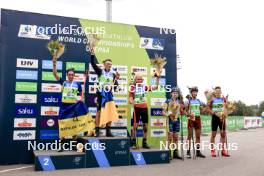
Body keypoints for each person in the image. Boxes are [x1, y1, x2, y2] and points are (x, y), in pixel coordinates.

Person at [52, 55, 88, 151]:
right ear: (67, 75)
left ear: (74, 75)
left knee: (73, 127)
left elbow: (81, 94)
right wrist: (54, 64)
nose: (71, 76)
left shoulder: (77, 84)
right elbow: (55, 74)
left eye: (72, 74)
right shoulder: (63, 82)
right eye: (69, 74)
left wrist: (81, 99)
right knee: (62, 126)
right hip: (64, 107)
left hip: (73, 108)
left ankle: (76, 146)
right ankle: (61, 146)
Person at [90, 49, 119, 137]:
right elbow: (92, 63)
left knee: (109, 112)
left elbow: (116, 86)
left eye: (110, 64)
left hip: (109, 95)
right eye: (108, 64)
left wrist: (114, 86)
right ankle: (97, 130)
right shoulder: (100, 71)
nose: (109, 65)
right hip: (100, 95)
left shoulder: (113, 74)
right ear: (104, 64)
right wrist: (92, 54)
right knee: (99, 112)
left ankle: (108, 131)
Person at [129, 73, 159, 149]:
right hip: (136, 108)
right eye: (138, 79)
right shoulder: (132, 88)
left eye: (141, 79)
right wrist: (131, 101)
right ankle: (133, 141)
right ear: (135, 80)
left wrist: (157, 79)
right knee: (135, 126)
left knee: (145, 126)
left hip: (144, 108)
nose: (139, 80)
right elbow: (130, 97)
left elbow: (155, 87)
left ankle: (144, 142)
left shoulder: (144, 87)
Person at [207, 86, 230, 157]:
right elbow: (208, 109)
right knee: (213, 134)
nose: (218, 93)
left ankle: (223, 151)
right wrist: (213, 113)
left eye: (219, 92)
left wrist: (226, 113)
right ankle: (212, 151)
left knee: (223, 134)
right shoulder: (212, 100)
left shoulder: (223, 99)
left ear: (221, 92)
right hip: (215, 118)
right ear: (215, 93)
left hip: (222, 118)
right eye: (216, 92)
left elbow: (227, 108)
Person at [184, 86, 206, 158]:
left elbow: (205, 106)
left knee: (198, 136)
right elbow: (184, 110)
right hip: (191, 119)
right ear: (191, 93)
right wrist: (187, 114)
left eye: (196, 92)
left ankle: (198, 152)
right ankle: (188, 152)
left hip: (198, 118)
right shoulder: (188, 101)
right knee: (189, 136)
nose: (195, 93)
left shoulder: (199, 101)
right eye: (193, 92)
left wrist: (202, 109)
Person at [163, 87, 183, 160]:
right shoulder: (167, 101)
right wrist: (169, 114)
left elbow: (181, 111)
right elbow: (163, 112)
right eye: (174, 93)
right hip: (170, 120)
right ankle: (168, 153)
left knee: (176, 137)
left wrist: (182, 112)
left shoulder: (179, 102)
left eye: (176, 93)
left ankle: (175, 153)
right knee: (170, 137)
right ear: (171, 94)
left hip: (177, 120)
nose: (175, 94)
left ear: (178, 94)